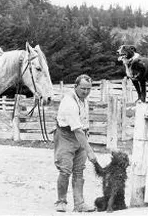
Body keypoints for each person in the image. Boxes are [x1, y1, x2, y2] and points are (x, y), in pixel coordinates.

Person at [54, 74, 98, 212]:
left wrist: (87, 135)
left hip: (81, 135)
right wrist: (90, 151)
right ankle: (61, 201)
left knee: (79, 171)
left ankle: (79, 204)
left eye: (88, 89)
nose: (85, 92)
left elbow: (84, 122)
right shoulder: (69, 102)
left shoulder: (84, 100)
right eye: (83, 88)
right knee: (65, 170)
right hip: (66, 136)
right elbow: (77, 130)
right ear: (75, 87)